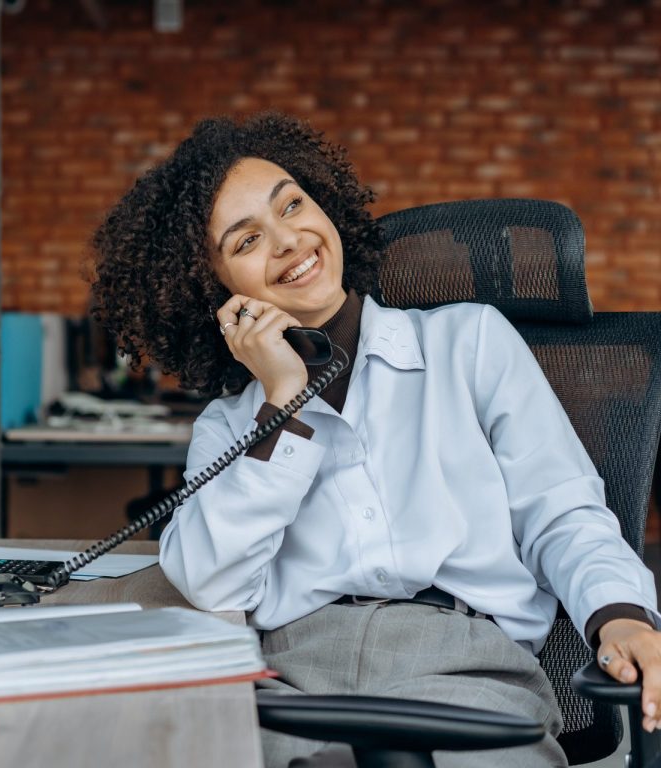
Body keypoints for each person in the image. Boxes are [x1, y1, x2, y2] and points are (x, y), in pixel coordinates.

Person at [87, 112, 661, 767]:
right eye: (247, 241)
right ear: (215, 290)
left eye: (293, 206)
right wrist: (284, 400)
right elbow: (210, 581)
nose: (288, 241)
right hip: (293, 681)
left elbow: (561, 511)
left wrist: (620, 615)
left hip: (466, 671)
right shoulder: (232, 422)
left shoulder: (468, 341)